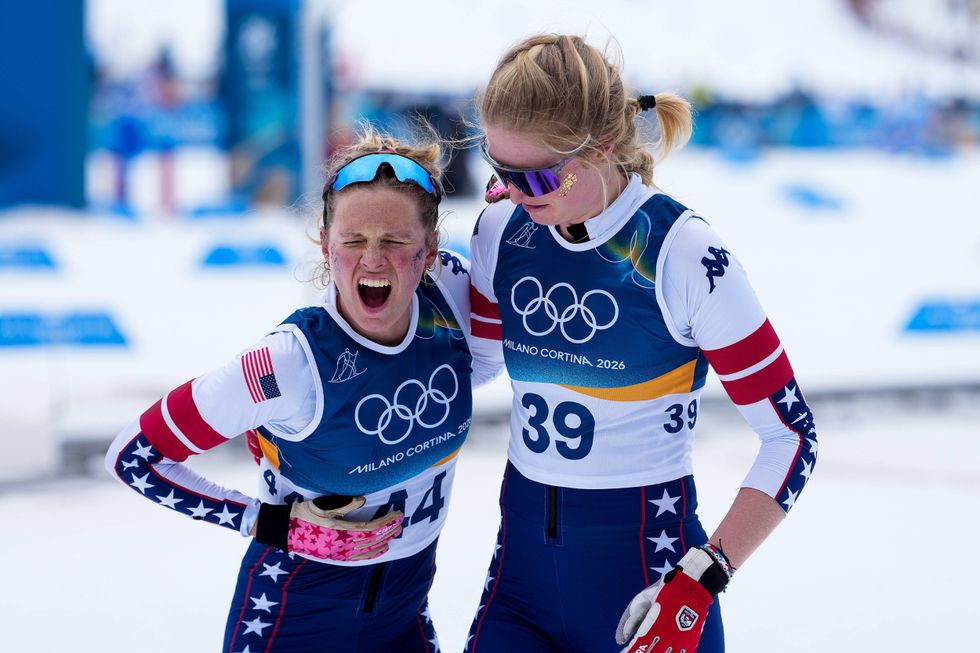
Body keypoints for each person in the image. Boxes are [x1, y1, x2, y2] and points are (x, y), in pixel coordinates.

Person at [466, 34, 818, 653]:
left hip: (644, 584)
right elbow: (478, 364)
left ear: (602, 146)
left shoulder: (682, 254)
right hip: (520, 582)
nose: (516, 195)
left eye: (540, 174)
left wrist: (705, 576)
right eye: (501, 174)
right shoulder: (502, 228)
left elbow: (791, 437)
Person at [105, 128, 484, 652]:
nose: (372, 259)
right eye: (353, 241)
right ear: (325, 245)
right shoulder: (288, 363)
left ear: (429, 251)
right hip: (293, 612)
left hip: (404, 610)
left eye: (395, 241)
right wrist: (269, 523)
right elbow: (131, 457)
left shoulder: (454, 300)